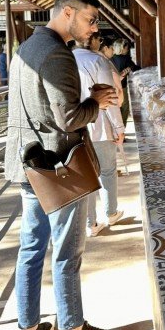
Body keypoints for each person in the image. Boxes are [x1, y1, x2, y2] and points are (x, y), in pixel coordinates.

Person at [4, 0, 124, 330]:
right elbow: (69, 117)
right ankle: (74, 327)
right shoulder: (57, 54)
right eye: (89, 20)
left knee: (31, 247)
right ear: (67, 13)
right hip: (58, 167)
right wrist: (97, 101)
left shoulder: (26, 47)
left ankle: (29, 327)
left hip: (29, 163)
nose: (93, 29)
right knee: (67, 252)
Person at [73, 32, 125, 237]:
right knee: (107, 170)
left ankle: (90, 223)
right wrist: (119, 128)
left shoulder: (66, 59)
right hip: (100, 125)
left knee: (85, 176)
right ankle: (111, 212)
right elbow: (109, 97)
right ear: (93, 40)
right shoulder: (97, 61)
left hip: (76, 125)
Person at [110, 39, 139, 128]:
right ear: (122, 48)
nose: (127, 50)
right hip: (122, 86)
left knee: (115, 108)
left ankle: (115, 130)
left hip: (111, 86)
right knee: (124, 108)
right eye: (126, 48)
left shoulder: (111, 58)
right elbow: (135, 68)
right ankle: (121, 129)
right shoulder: (126, 59)